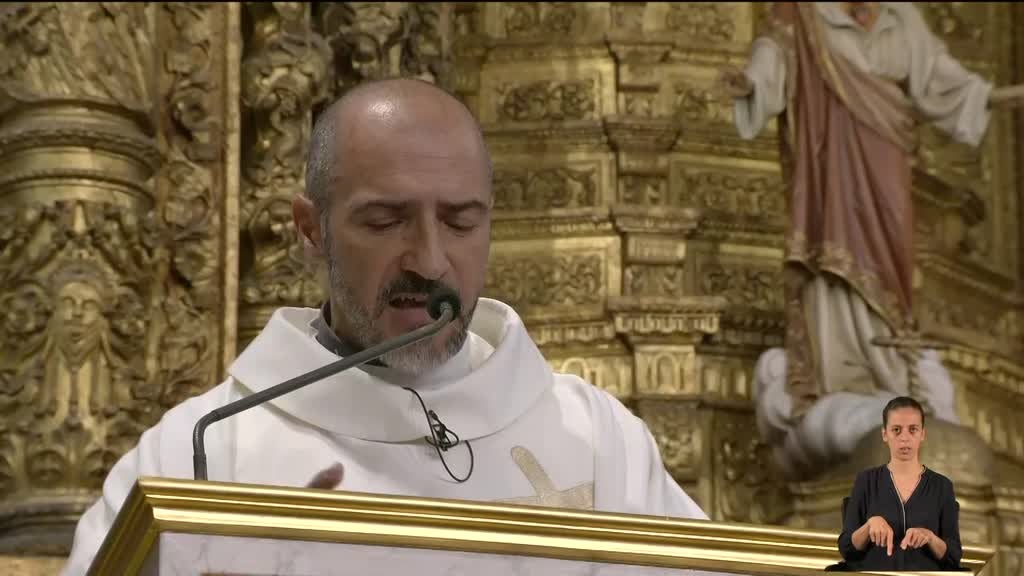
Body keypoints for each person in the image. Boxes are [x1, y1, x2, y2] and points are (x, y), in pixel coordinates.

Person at [60, 78, 709, 575]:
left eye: (460, 222)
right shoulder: (200, 456)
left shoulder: (598, 440)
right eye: (385, 221)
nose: (429, 260)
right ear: (311, 230)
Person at [723, 1, 1021, 480]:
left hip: (887, 166)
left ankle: (890, 368)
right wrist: (752, 84)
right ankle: (840, 369)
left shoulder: (900, 18)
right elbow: (771, 55)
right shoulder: (803, 15)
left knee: (888, 271)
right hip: (829, 172)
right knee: (835, 260)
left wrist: (995, 97)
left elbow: (940, 78)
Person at [837, 396, 962, 572]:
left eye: (912, 430)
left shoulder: (942, 486)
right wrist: (869, 525)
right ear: (885, 434)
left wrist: (930, 537)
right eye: (896, 430)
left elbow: (953, 555)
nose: (904, 438)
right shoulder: (866, 481)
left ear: (922, 434)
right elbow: (847, 548)